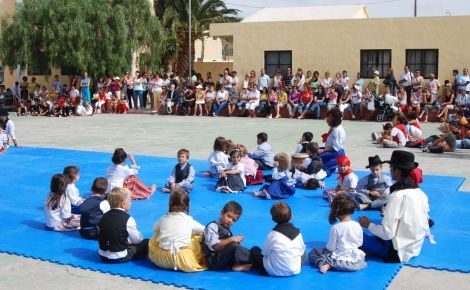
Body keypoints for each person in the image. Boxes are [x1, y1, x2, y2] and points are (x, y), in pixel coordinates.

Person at [359, 150, 432, 263]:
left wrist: (368, 225)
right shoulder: (421, 194)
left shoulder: (397, 196)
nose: (389, 170)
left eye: (391, 167)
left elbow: (387, 234)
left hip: (396, 252)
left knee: (353, 233)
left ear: (396, 171)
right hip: (415, 248)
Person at [148, 188, 207, 272]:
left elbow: (154, 228)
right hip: (183, 261)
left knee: (157, 234)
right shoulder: (188, 220)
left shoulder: (164, 218)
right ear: (188, 205)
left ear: (170, 204)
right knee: (197, 237)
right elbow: (205, 230)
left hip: (162, 260)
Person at [309, 194, 366, 273]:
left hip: (339, 255)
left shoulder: (336, 227)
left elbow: (331, 248)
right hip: (355, 256)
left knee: (314, 252)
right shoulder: (357, 225)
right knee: (357, 261)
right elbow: (360, 243)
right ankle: (338, 265)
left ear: (335, 211)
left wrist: (326, 250)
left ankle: (327, 264)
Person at [250, 202, 306, 276]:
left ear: (273, 219)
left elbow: (265, 253)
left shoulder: (273, 234)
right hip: (295, 270)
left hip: (273, 271)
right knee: (304, 252)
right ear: (291, 216)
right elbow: (301, 250)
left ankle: (253, 266)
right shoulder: (298, 233)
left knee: (255, 249)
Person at [98, 187, 148, 263]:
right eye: (130, 201)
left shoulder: (103, 216)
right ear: (123, 204)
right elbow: (137, 240)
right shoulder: (128, 219)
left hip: (102, 255)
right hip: (119, 257)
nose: (130, 203)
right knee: (146, 243)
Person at [203, 201, 252, 271]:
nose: (230, 221)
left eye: (234, 220)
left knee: (241, 247)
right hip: (213, 262)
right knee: (234, 246)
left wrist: (236, 241)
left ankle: (247, 261)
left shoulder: (225, 228)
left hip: (222, 258)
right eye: (229, 216)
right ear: (222, 213)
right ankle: (254, 259)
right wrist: (231, 240)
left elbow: (227, 245)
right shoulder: (213, 226)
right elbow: (215, 246)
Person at [319, 108, 346, 176]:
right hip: (333, 150)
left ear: (335, 119)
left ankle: (331, 167)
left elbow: (335, 147)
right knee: (314, 150)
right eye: (327, 116)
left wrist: (322, 150)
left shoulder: (336, 130)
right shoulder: (334, 127)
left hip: (336, 153)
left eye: (330, 117)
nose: (327, 118)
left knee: (317, 156)